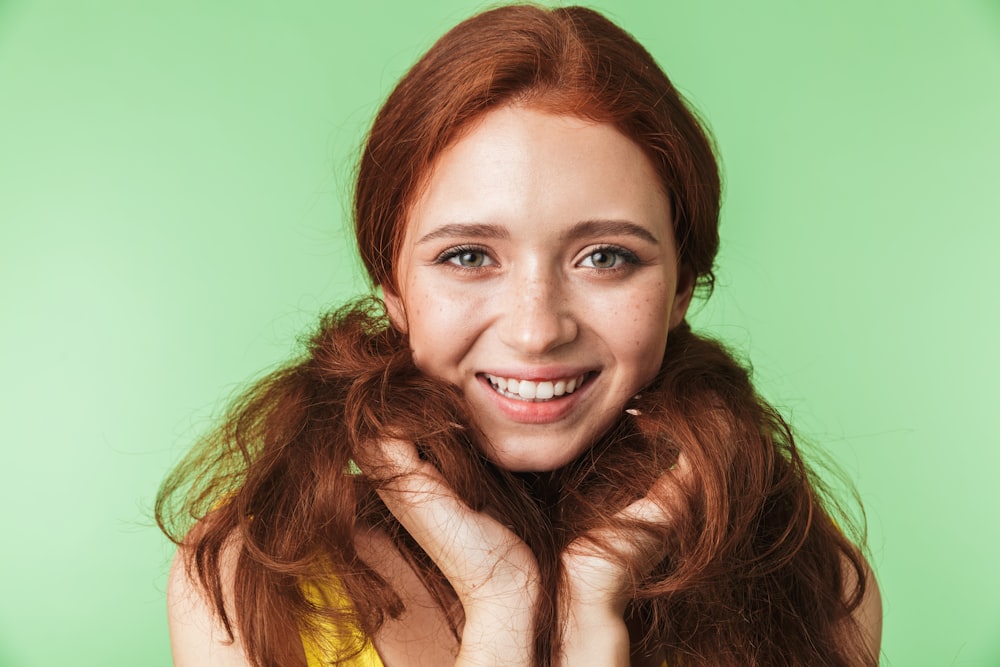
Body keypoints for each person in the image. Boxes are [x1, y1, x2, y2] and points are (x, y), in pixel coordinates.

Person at [158, 5, 882, 666]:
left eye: (606, 257)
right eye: (468, 256)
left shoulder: (815, 586)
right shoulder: (249, 577)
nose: (537, 331)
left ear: (682, 288)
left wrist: (593, 617)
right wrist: (501, 608)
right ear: (395, 290)